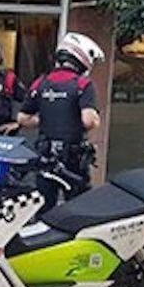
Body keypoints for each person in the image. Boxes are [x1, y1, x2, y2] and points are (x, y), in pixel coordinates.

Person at [18, 32, 104, 214]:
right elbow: (88, 121)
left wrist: (48, 117)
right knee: (78, 209)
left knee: (44, 208)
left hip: (45, 156)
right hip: (73, 159)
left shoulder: (40, 83)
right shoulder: (82, 84)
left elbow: (22, 119)